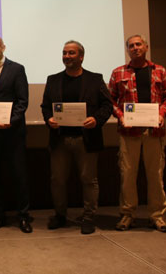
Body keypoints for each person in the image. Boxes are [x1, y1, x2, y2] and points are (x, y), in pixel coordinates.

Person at [41, 40, 113, 235]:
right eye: (64, 53)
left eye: (71, 53)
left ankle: (89, 217)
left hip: (86, 139)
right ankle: (60, 215)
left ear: (81, 56)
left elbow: (107, 105)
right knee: (57, 180)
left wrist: (96, 120)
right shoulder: (53, 80)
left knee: (89, 180)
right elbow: (45, 106)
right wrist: (49, 119)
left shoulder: (95, 79)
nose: (67, 56)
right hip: (60, 139)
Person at [108, 34, 166, 233]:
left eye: (138, 44)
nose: (135, 48)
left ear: (146, 47)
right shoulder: (118, 72)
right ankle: (127, 215)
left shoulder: (160, 71)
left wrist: (162, 114)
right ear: (127, 50)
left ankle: (157, 216)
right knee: (127, 175)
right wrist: (120, 115)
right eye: (131, 46)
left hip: (154, 131)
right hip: (128, 131)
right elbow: (109, 100)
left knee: (155, 175)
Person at [0, 36, 32, 233]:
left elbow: (22, 101)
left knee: (19, 175)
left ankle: (23, 216)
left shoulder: (17, 69)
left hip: (13, 134)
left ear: (3, 48)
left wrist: (11, 121)